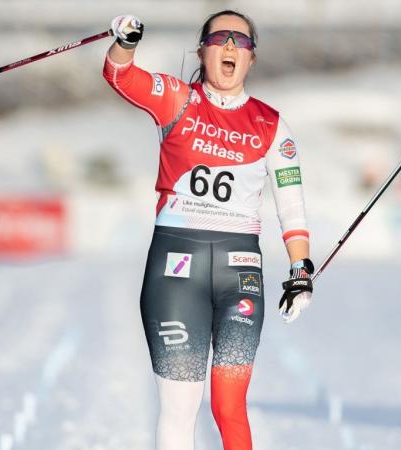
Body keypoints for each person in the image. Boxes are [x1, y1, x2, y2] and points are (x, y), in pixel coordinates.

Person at [103, 10, 314, 450]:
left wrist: (301, 268)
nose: (231, 46)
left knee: (228, 405)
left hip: (240, 269)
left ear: (252, 58)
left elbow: (290, 202)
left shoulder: (271, 125)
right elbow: (121, 75)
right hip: (175, 266)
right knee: (180, 408)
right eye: (221, 37)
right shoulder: (177, 99)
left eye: (242, 40)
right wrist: (125, 41)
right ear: (203, 50)